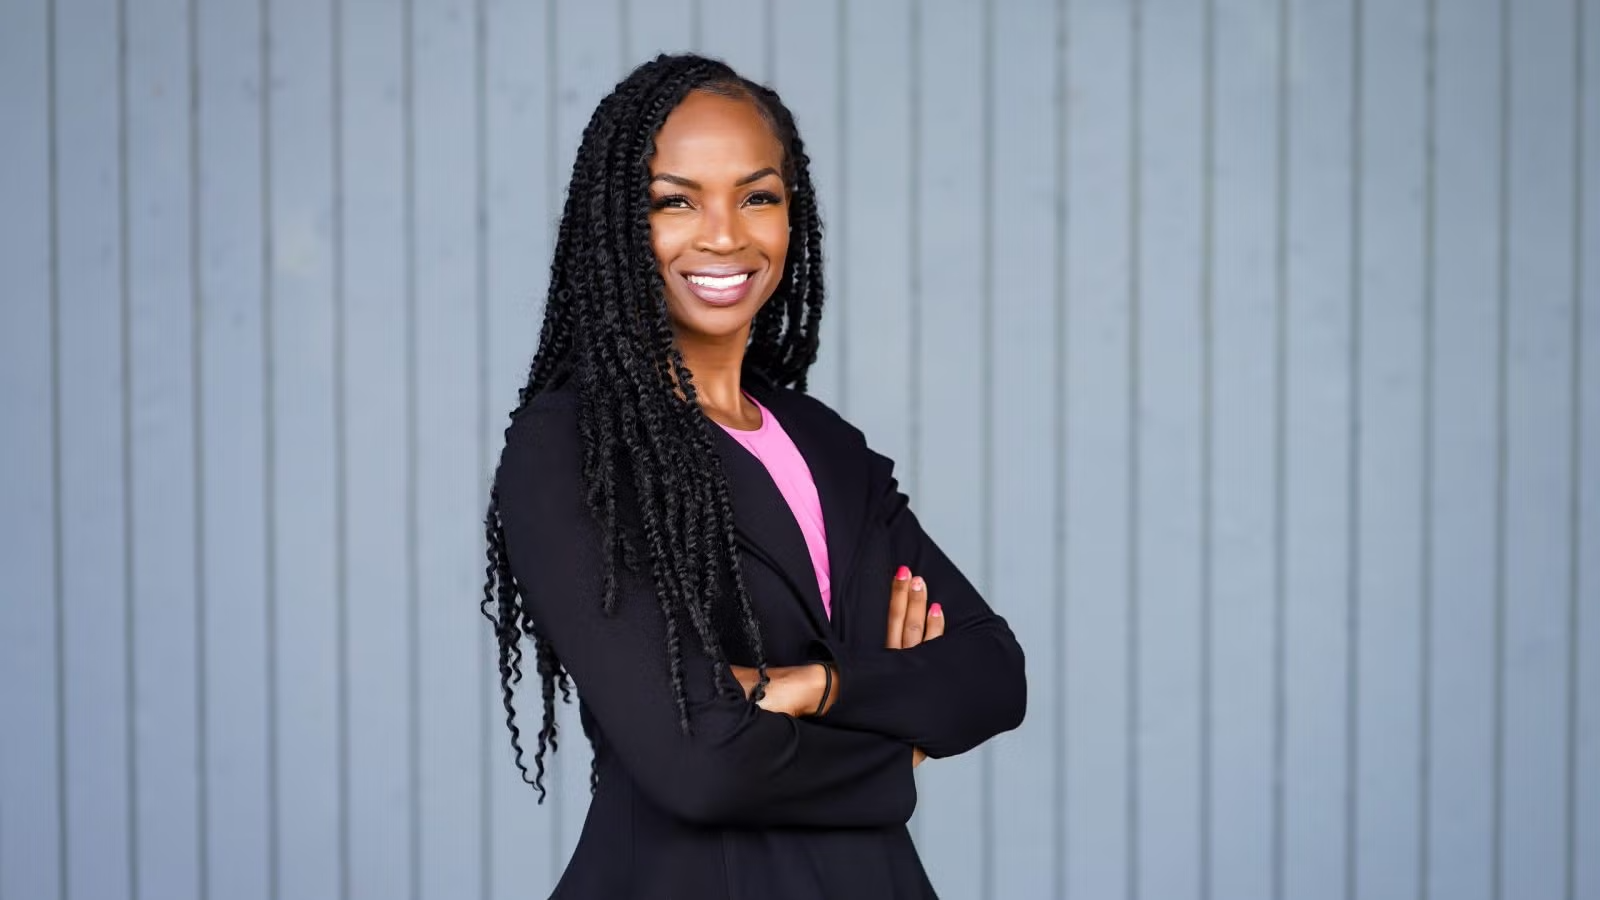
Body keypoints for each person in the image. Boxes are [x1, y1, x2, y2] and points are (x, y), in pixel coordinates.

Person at [482, 53, 1026, 899]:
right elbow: (701, 763)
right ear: (618, 225)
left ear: (791, 212)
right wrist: (898, 737)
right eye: (675, 201)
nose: (725, 234)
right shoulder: (571, 449)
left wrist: (811, 687)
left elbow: (992, 673)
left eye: (757, 195)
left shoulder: (828, 445)